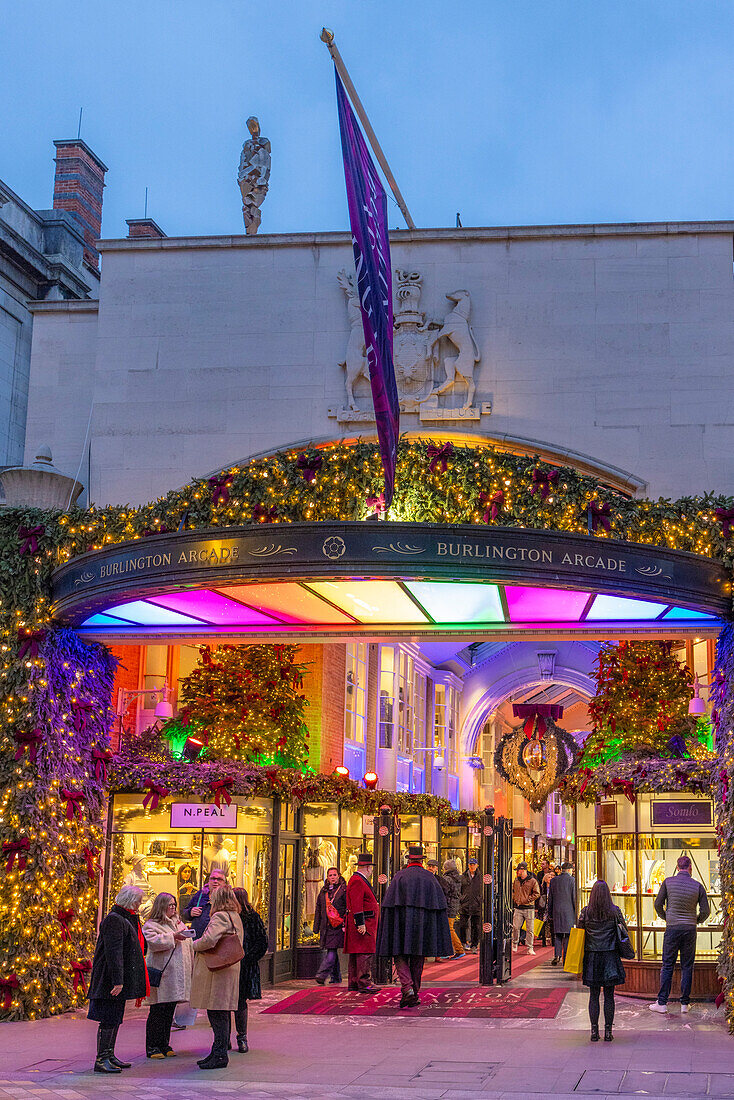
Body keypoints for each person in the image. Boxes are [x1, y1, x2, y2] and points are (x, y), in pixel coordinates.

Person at [376, 845, 453, 1007]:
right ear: (422, 861)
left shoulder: (400, 876)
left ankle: (407, 988)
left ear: (409, 859)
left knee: (400, 954)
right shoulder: (429, 877)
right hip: (423, 923)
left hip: (401, 922)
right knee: (418, 957)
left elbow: (388, 904)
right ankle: (413, 991)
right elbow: (440, 904)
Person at [87, 885, 148, 1074]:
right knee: (108, 1017)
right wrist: (118, 980)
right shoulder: (115, 920)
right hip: (110, 979)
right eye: (138, 901)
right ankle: (102, 1058)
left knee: (115, 1017)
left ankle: (109, 1054)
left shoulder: (124, 918)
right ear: (130, 901)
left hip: (115, 977)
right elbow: (114, 953)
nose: (140, 904)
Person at [190, 883, 244, 1070]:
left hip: (217, 969)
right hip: (228, 968)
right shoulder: (235, 915)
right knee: (221, 1011)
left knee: (217, 1012)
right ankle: (217, 1051)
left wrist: (192, 945)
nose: (210, 899)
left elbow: (209, 940)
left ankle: (219, 1054)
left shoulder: (220, 916)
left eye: (212, 896)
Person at [649, 854, 711, 1015]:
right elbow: (706, 911)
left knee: (667, 964)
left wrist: (666, 917)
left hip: (672, 928)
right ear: (690, 867)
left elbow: (657, 904)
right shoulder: (697, 886)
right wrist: (696, 920)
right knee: (687, 966)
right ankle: (685, 1003)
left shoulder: (668, 882)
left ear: (677, 867)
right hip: (689, 929)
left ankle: (662, 1003)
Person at [142, 892, 194, 1058]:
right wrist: (173, 937)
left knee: (169, 1011)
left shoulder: (178, 923)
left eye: (174, 904)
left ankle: (164, 1044)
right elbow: (153, 942)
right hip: (163, 974)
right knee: (158, 1010)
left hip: (176, 976)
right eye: (170, 905)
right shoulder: (151, 924)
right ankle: (152, 1046)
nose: (173, 908)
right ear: (161, 906)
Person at [578, 879, 630, 1042]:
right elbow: (623, 930)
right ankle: (608, 1032)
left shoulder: (586, 912)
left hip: (592, 957)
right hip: (610, 957)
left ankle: (594, 1032)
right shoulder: (615, 911)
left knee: (593, 995)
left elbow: (580, 933)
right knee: (609, 995)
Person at [232, 886, 268, 1052]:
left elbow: (261, 942)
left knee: (239, 1002)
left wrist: (247, 959)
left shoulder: (251, 917)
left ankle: (241, 1037)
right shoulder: (228, 917)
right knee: (229, 1002)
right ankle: (228, 1038)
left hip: (244, 967)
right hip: (231, 965)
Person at [344, 852, 381, 993]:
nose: (372, 870)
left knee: (357, 952)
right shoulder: (358, 881)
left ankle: (354, 982)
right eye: (371, 867)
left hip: (364, 922)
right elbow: (357, 904)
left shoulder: (358, 880)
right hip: (364, 923)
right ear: (367, 867)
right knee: (364, 952)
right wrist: (360, 923)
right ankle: (364, 982)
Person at [313, 867, 347, 985]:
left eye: (334, 875)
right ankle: (336, 977)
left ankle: (322, 974)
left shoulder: (343, 890)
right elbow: (318, 909)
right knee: (332, 949)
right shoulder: (324, 891)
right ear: (327, 877)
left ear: (338, 875)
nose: (332, 877)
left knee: (331, 950)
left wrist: (346, 923)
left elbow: (348, 908)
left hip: (338, 926)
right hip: (326, 926)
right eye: (330, 875)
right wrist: (316, 927)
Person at [183, 867, 227, 939]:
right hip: (196, 940)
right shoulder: (200, 894)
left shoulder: (227, 898)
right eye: (213, 878)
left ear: (224, 883)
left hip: (216, 941)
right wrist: (190, 912)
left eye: (219, 879)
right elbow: (184, 913)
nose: (215, 881)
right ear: (209, 881)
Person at [548, 862, 577, 965]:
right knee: (568, 935)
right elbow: (574, 898)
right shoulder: (572, 881)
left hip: (557, 911)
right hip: (569, 911)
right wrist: (576, 912)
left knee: (558, 934)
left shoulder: (554, 881)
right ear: (569, 870)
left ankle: (557, 955)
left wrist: (550, 912)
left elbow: (550, 898)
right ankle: (566, 957)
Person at [438, 859, 466, 958]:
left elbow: (444, 892)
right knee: (448, 928)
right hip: (454, 905)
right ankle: (449, 950)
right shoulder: (457, 878)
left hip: (448, 906)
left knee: (449, 929)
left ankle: (459, 949)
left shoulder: (447, 879)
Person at [512, 861, 540, 955]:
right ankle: (515, 942)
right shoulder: (516, 881)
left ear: (523, 870)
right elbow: (513, 891)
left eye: (518, 870)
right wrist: (515, 898)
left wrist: (528, 900)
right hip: (518, 907)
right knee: (516, 927)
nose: (517, 872)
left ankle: (530, 947)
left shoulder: (532, 881)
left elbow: (537, 893)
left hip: (529, 908)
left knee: (530, 929)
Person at [457, 856, 482, 952]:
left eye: (474, 864)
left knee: (476, 926)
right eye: (471, 864)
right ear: (468, 865)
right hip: (465, 904)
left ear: (477, 865)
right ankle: (464, 942)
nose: (472, 866)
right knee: (463, 925)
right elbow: (459, 889)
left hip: (476, 904)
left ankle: (474, 944)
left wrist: (480, 900)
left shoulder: (480, 877)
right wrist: (461, 899)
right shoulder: (463, 876)